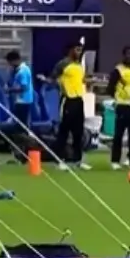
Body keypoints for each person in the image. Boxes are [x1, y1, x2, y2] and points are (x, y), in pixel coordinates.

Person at [43, 41, 90, 170]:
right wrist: (47, 81)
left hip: (79, 101)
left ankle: (77, 160)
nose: (79, 53)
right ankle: (59, 160)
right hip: (67, 100)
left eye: (80, 50)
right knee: (64, 132)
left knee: (78, 132)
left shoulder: (79, 65)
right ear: (71, 51)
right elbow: (52, 79)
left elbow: (80, 81)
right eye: (77, 50)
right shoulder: (63, 64)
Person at [106, 46, 130, 170]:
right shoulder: (118, 70)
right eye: (128, 54)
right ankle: (115, 160)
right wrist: (119, 97)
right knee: (119, 135)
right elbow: (110, 88)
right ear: (124, 55)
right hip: (123, 105)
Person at [5, 50, 34, 131]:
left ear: (14, 60)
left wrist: (9, 90)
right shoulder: (22, 69)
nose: (9, 65)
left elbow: (24, 87)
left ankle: (23, 139)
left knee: (21, 125)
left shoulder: (22, 72)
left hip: (23, 101)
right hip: (22, 100)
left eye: (10, 62)